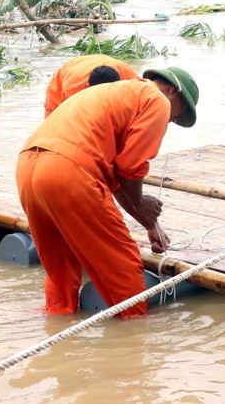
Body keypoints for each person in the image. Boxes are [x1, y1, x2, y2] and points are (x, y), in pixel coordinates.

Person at [16, 66, 199, 317]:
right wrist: (140, 201)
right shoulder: (157, 100)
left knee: (61, 265)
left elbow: (114, 177)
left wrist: (149, 223)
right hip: (69, 171)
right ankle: (131, 340)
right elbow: (131, 167)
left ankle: (58, 326)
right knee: (123, 266)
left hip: (29, 166)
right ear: (173, 91)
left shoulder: (116, 92)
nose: (174, 119)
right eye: (181, 113)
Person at [43, 54, 138, 117]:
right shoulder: (74, 90)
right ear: (88, 87)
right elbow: (73, 119)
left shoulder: (131, 82)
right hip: (70, 74)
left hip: (103, 63)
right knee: (54, 121)